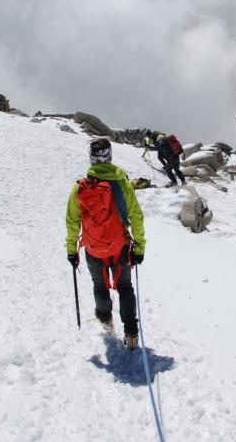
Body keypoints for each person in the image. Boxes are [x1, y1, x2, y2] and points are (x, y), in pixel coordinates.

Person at [65, 138, 146, 349]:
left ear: (92, 159)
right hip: (119, 246)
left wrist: (72, 250)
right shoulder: (121, 184)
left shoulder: (80, 188)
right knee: (125, 287)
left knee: (100, 286)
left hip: (93, 249)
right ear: (109, 156)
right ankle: (131, 334)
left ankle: (106, 321)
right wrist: (139, 247)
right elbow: (136, 217)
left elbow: (72, 221)